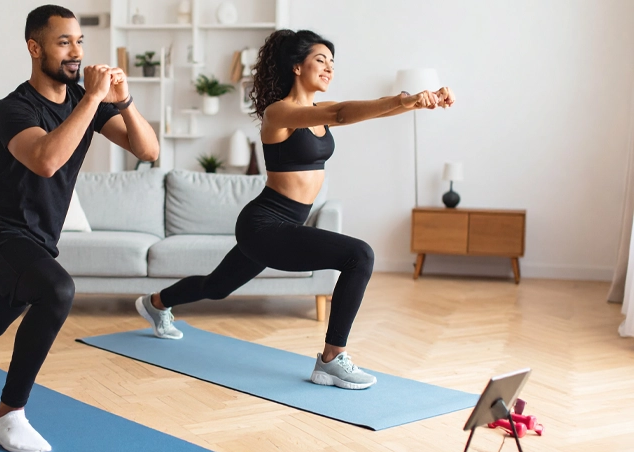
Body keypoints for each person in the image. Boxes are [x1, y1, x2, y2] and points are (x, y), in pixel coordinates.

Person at [135, 29, 454, 390]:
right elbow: (344, 113)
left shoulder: (316, 114)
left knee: (217, 286)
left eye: (333, 63)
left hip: (284, 226)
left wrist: (415, 101)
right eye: (321, 60)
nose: (329, 68)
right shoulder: (280, 113)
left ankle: (156, 303)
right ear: (296, 67)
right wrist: (406, 99)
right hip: (265, 224)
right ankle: (331, 361)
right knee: (359, 256)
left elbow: (351, 109)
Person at [0, 4, 158, 452]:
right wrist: (94, 100)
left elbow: (148, 149)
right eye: (64, 42)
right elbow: (45, 160)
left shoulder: (86, 102)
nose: (76, 52)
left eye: (79, 41)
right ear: (34, 47)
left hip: (36, 241)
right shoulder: (11, 109)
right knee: (57, 290)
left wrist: (123, 99)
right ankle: (8, 416)